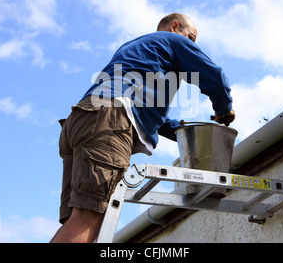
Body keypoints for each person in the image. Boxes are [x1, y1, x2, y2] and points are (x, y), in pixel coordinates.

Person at [50, 13, 235, 243]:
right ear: (175, 27)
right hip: (107, 119)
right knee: (88, 217)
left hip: (82, 120)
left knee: (76, 220)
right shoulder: (172, 41)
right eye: (191, 37)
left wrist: (188, 132)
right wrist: (224, 108)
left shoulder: (137, 48)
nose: (192, 45)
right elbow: (216, 77)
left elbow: (157, 119)